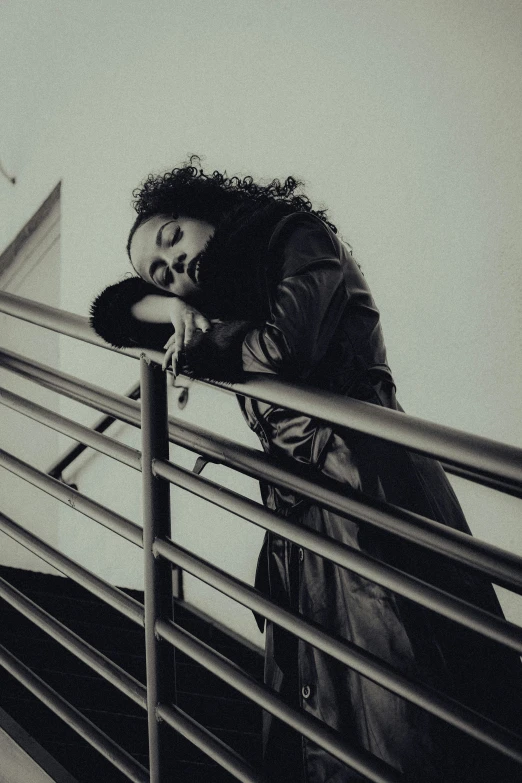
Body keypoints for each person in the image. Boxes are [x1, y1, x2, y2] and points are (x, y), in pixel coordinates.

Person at [90, 160, 521, 782]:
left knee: (406, 695)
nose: (176, 262)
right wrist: (166, 308)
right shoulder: (214, 301)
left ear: (201, 208)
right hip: (301, 509)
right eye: (159, 272)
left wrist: (206, 338)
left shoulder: (295, 233)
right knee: (327, 715)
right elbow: (108, 313)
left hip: (368, 481)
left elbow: (285, 347)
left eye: (172, 237)